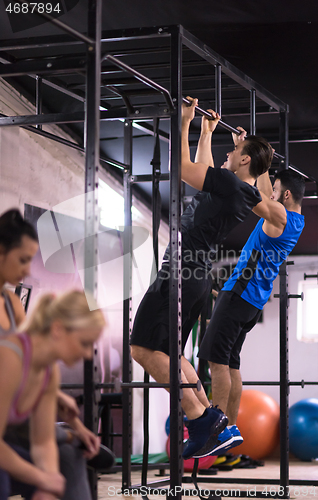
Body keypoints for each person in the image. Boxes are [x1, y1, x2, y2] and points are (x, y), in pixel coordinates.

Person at [130, 98, 274, 460]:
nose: (229, 151)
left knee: (143, 349)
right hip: (196, 274)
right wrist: (206, 132)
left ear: (244, 160)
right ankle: (215, 422)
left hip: (181, 271)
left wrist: (184, 122)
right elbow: (203, 168)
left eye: (235, 149)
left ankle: (199, 418)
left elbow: (183, 168)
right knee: (173, 355)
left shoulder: (229, 184)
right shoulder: (241, 190)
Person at [198, 131, 305, 456]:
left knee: (215, 362)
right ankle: (228, 427)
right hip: (250, 300)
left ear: (284, 195)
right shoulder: (295, 220)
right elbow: (262, 192)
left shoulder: (280, 217)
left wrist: (251, 162)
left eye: (274, 191)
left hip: (240, 294)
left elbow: (256, 198)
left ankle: (216, 430)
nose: (269, 194)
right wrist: (258, 163)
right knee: (230, 364)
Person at [0, 209, 107, 500]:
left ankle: (68, 436)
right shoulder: (8, 358)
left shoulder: (11, 302)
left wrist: (49, 479)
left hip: (14, 406)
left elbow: (30, 358)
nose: (27, 269)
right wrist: (42, 477)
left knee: (66, 452)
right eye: (23, 259)